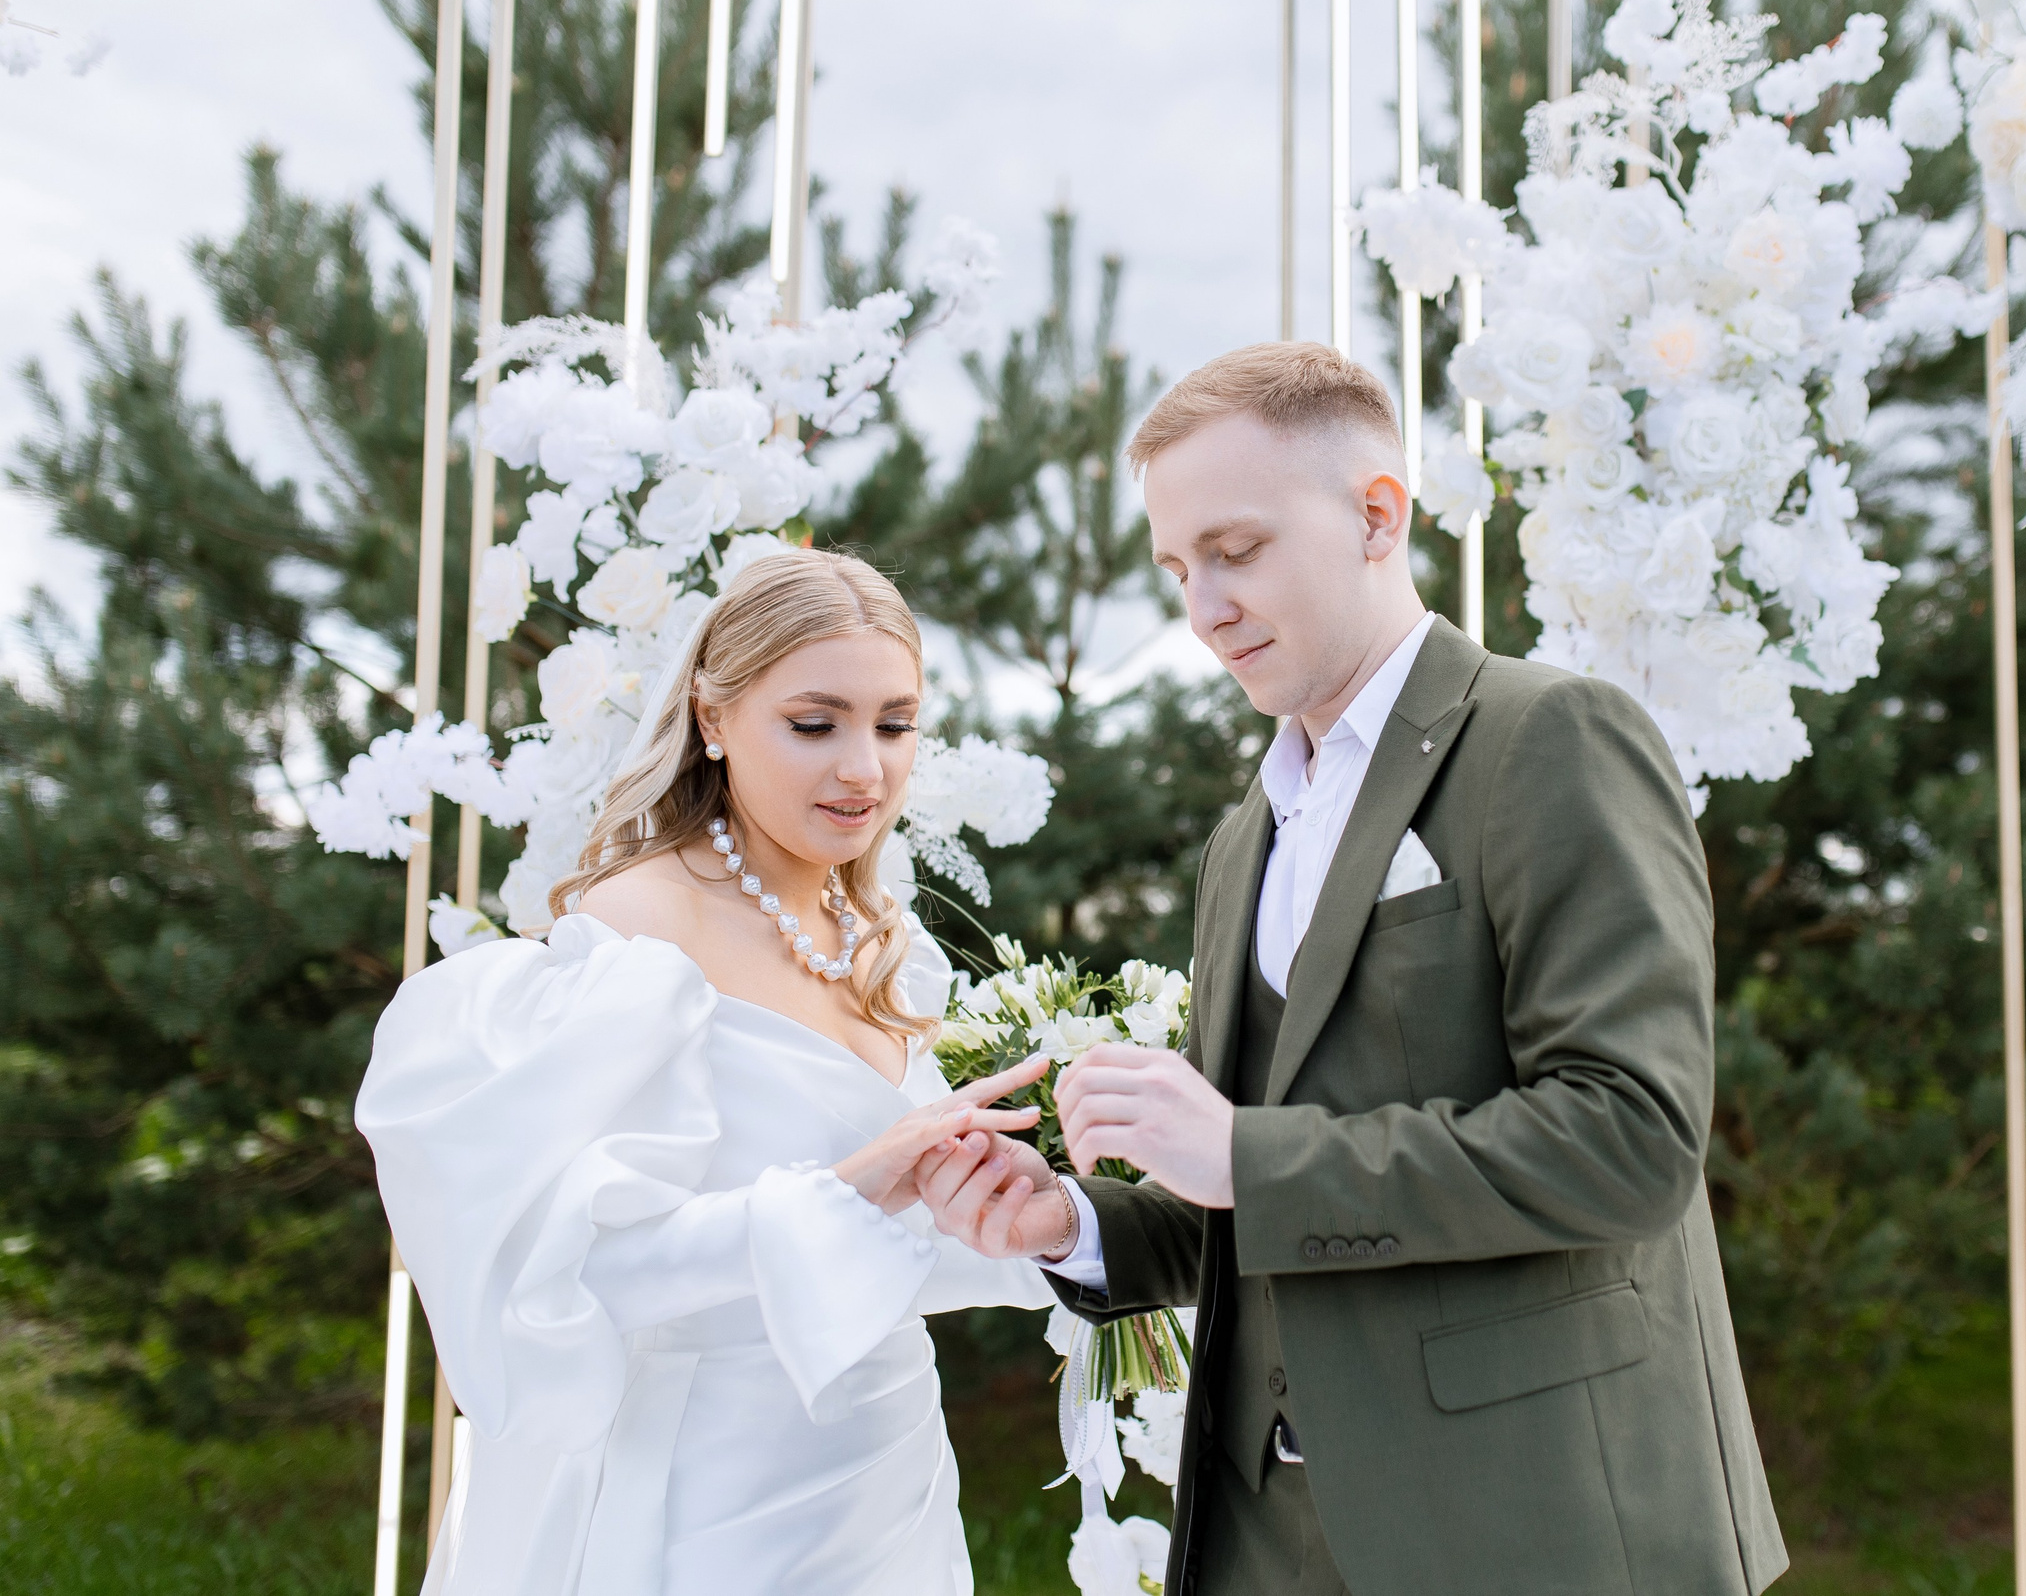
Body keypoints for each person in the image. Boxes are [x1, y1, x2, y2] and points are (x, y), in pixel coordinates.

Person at [920, 343, 1789, 1596]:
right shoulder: (1243, 840)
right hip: (1268, 1539)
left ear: (1378, 513)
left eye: (1237, 549)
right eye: (1175, 568)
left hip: (1531, 1528)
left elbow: (1630, 1140)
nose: (1202, 604)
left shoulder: (1550, 738)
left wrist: (1239, 1158)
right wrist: (1076, 1223)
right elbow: (1270, 1184)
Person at [356, 549, 1077, 1596]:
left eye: (893, 723)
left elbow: (903, 1247)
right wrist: (836, 1196)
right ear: (711, 718)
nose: (864, 770)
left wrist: (1047, 1224)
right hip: (702, 1495)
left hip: (884, 1478)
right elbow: (575, 1276)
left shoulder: (890, 944)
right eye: (814, 723)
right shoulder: (636, 941)